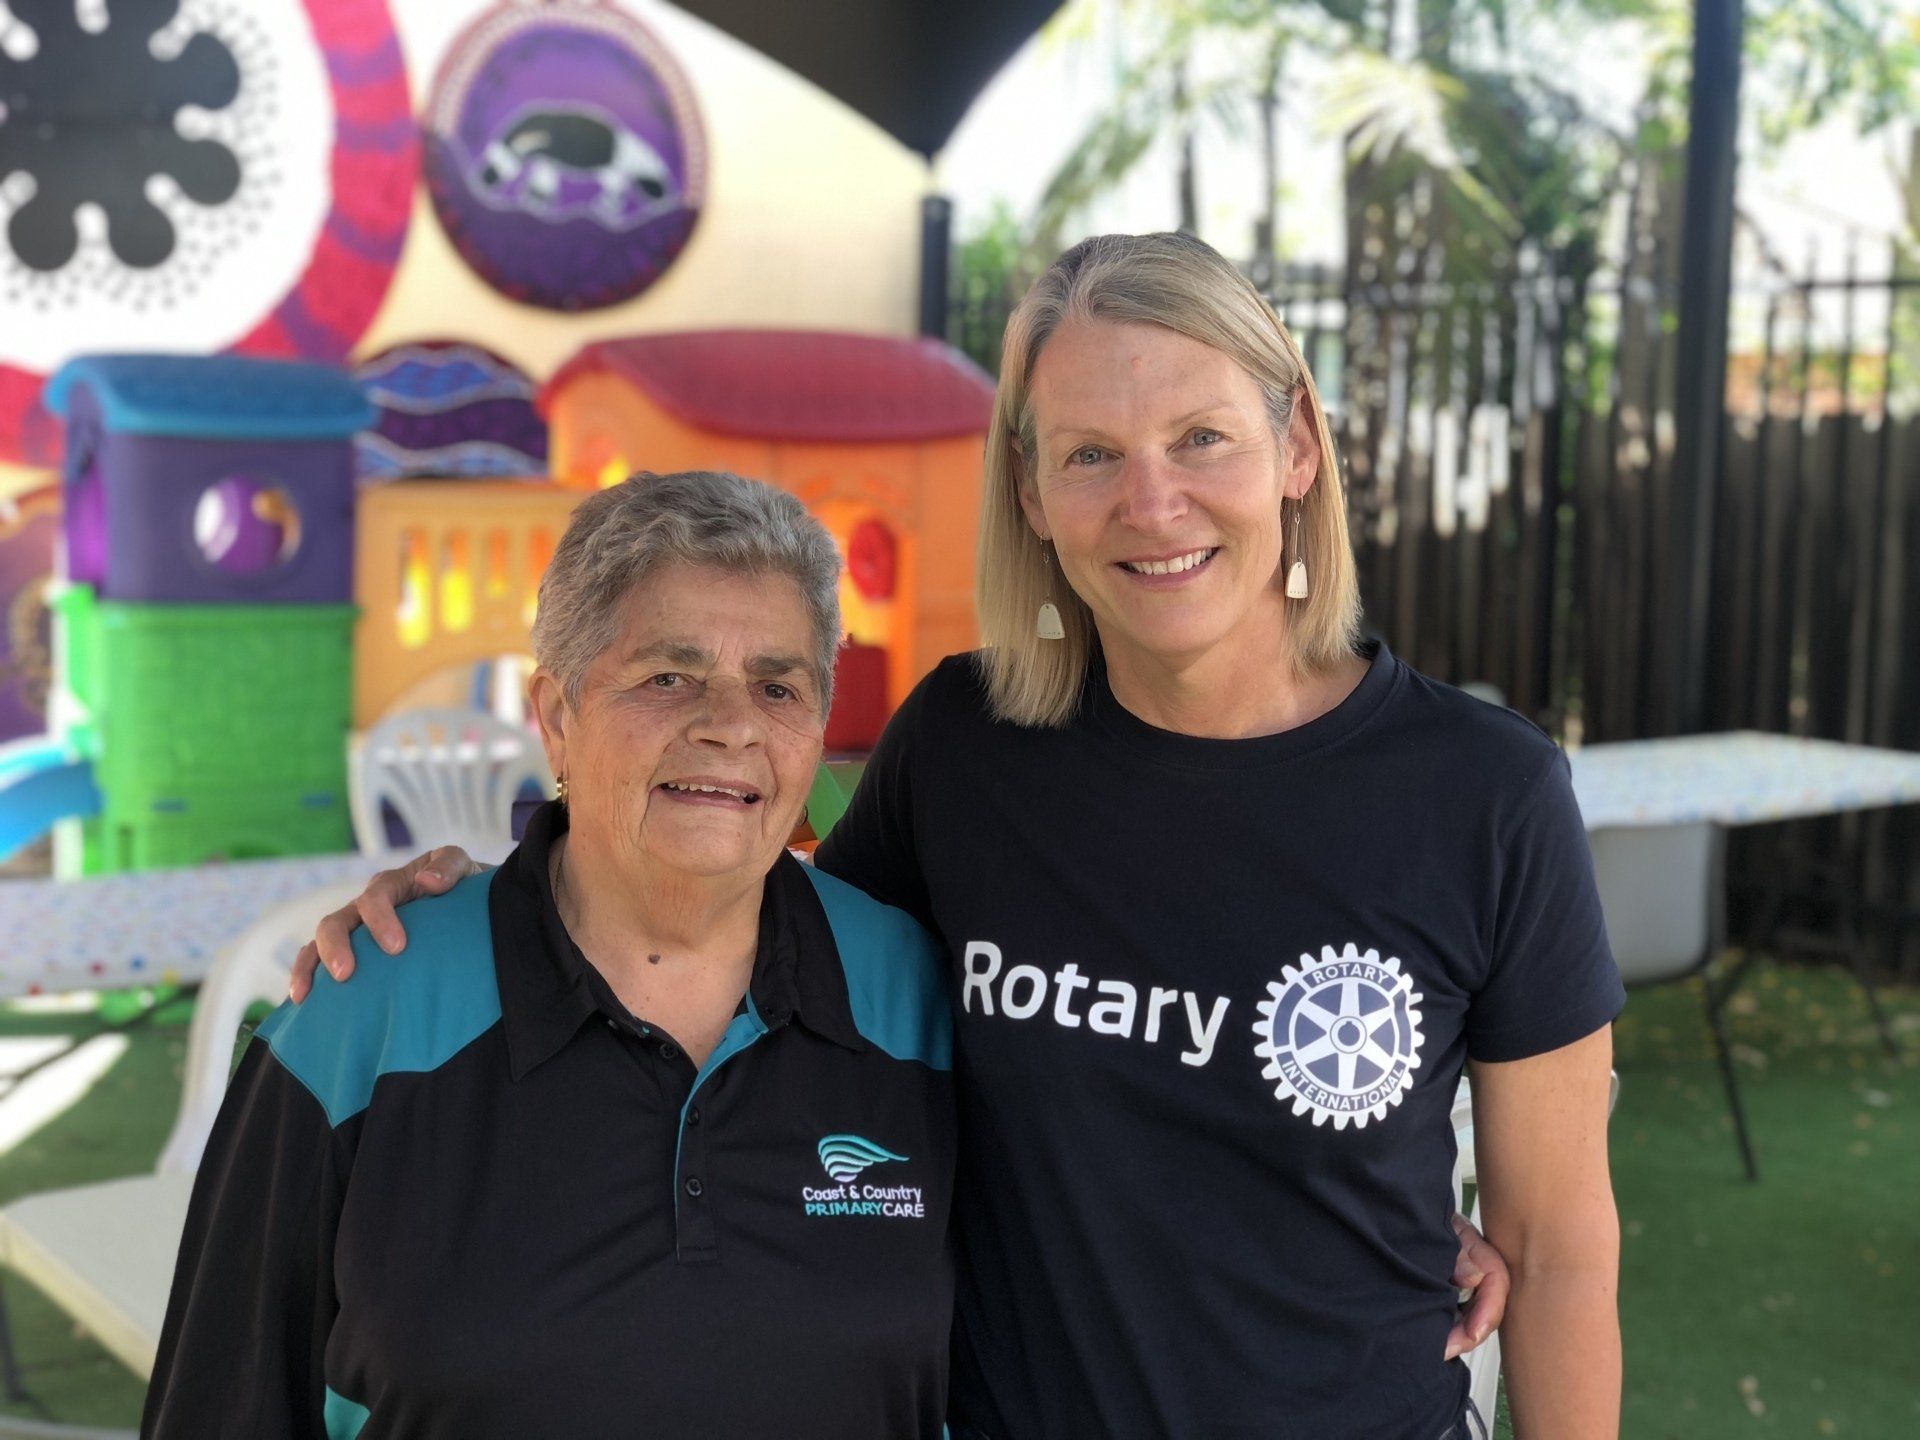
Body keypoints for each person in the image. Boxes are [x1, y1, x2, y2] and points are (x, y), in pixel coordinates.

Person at [296, 233, 1623, 1438]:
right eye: (1091, 453)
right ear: (1033, 495)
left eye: (1202, 439)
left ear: (1299, 451)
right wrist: (492, 897)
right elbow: (770, 962)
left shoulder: (1482, 793)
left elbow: (1557, 1249)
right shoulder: (972, 748)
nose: (1150, 504)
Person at [145, 473, 955, 1438]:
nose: (732, 724)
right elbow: (221, 1404)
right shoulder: (371, 1005)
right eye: (669, 677)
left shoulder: (923, 1003)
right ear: (557, 716)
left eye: (778, 687)